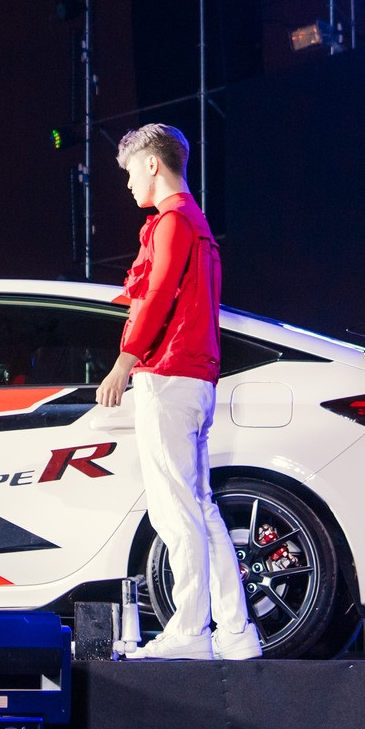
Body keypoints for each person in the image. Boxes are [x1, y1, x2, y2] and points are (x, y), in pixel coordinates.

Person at [97, 123, 260, 661]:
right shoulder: (196, 222)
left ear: (151, 163)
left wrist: (124, 361)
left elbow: (158, 293)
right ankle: (235, 631)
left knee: (175, 511)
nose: (128, 185)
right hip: (194, 378)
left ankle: (189, 630)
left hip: (168, 377)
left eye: (129, 172)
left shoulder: (173, 222)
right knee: (199, 508)